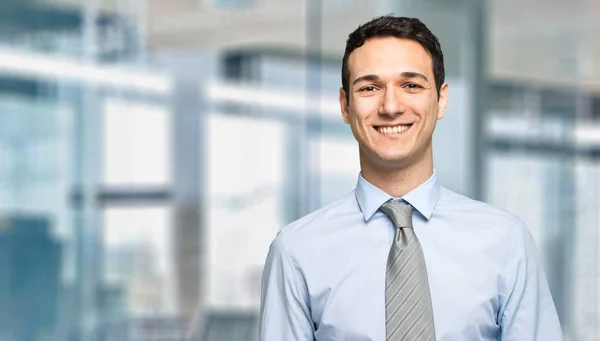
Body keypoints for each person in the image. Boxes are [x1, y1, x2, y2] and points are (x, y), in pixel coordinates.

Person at [258, 15, 562, 341]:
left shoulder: (506, 241)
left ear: (441, 99)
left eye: (411, 85)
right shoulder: (296, 251)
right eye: (370, 87)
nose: (391, 106)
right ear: (345, 106)